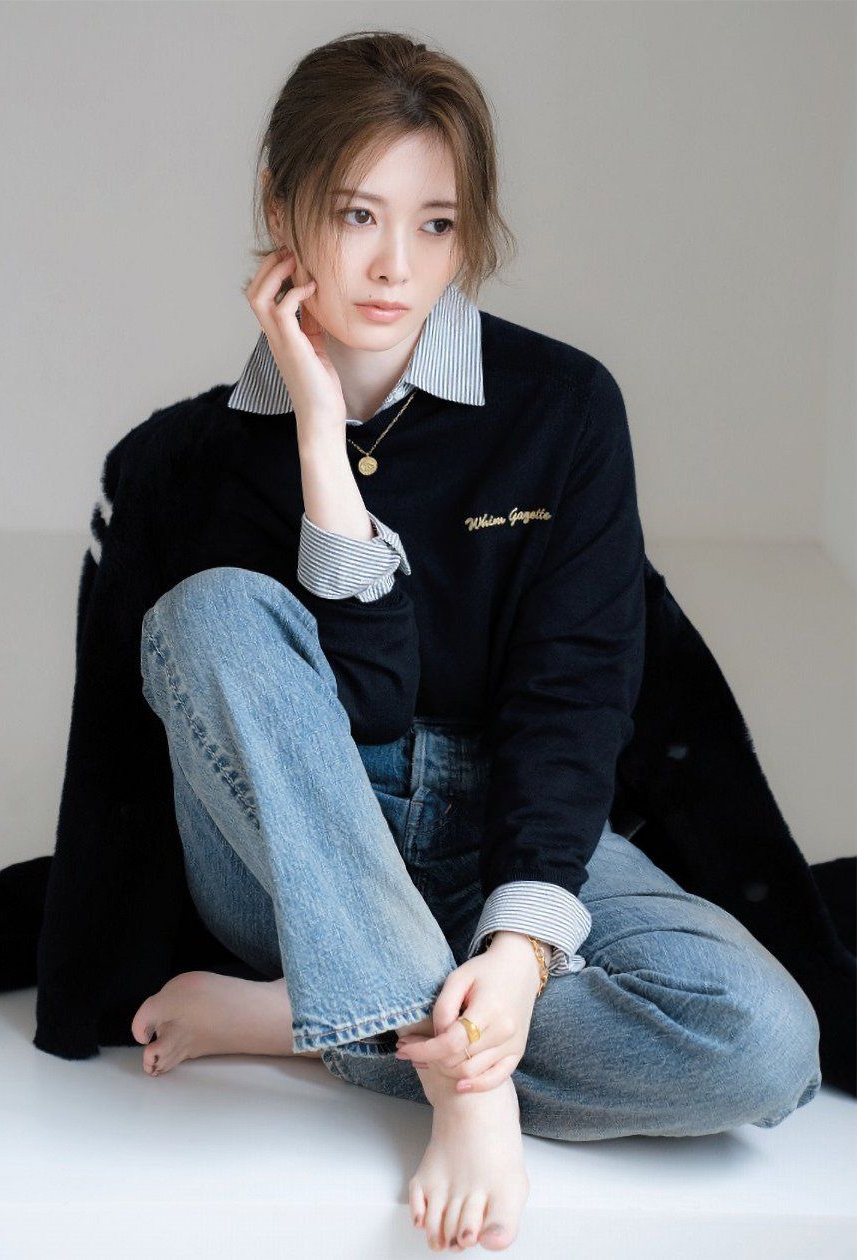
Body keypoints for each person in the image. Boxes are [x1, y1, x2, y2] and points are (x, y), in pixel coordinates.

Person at [115, 29, 820, 1256]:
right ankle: (452, 1072)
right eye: (357, 215)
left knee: (761, 1043)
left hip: (501, 812)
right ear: (281, 209)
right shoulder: (204, 452)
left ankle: (313, 1021)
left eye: (436, 224)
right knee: (209, 613)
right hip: (295, 848)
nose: (397, 265)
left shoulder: (563, 407)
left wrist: (521, 953)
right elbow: (365, 708)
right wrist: (322, 441)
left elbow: (576, 692)